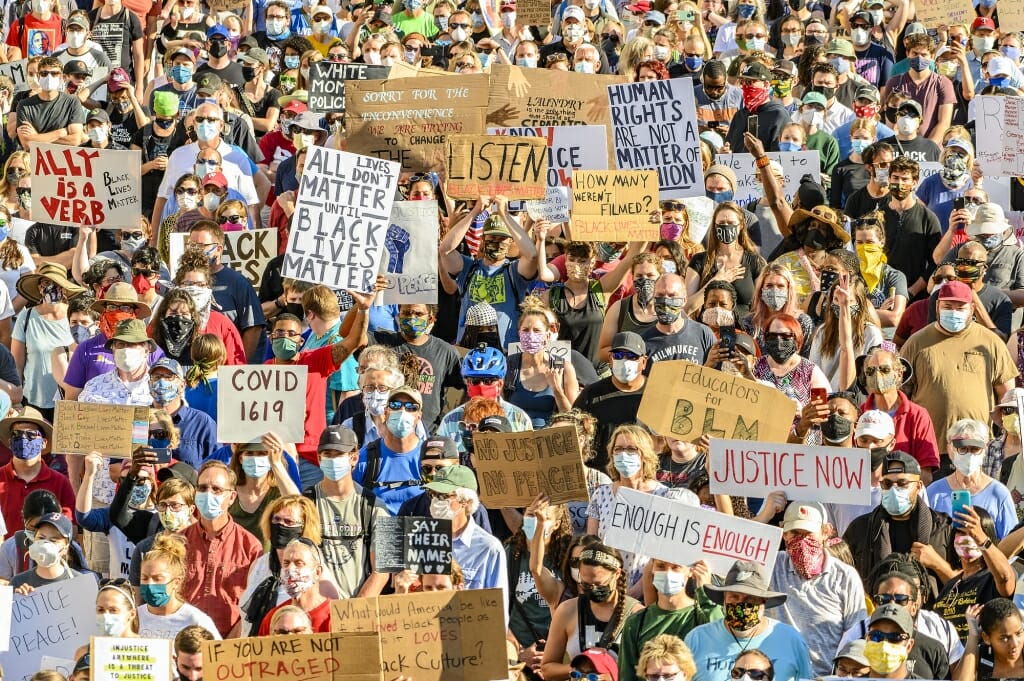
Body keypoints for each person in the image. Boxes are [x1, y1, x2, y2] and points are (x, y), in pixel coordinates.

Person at [901, 280, 1016, 452]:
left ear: (971, 308)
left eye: (960, 307)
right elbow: (902, 395)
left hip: (978, 448)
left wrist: (1005, 438)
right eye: (948, 306)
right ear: (938, 305)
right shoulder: (916, 342)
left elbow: (1007, 395)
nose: (954, 312)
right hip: (929, 447)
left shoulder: (990, 342)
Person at [770, 502, 867, 676]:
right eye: (795, 533)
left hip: (825, 676)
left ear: (825, 532)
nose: (801, 541)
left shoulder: (845, 576)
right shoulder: (771, 564)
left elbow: (855, 636)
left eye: (808, 534)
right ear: (784, 533)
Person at [843, 452, 955, 600]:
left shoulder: (942, 528)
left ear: (919, 486)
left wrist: (937, 564)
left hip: (928, 616)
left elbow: (965, 587)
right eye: (887, 484)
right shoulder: (860, 529)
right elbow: (843, 582)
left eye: (902, 483)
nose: (894, 490)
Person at [684, 560, 812, 681]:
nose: (741, 605)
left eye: (750, 599)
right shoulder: (697, 639)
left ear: (764, 601)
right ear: (724, 599)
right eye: (734, 596)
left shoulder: (790, 640)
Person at [306, 425, 389, 598]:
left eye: (339, 454)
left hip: (358, 611)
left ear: (354, 458)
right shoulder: (306, 503)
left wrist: (355, 612)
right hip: (316, 610)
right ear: (319, 459)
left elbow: (382, 572)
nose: (333, 460)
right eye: (328, 454)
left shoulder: (376, 507)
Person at [182, 460, 262, 637]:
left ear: (232, 497)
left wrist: (227, 646)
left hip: (229, 646)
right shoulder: (178, 542)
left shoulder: (250, 547)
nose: (208, 494)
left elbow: (254, 607)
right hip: (183, 643)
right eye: (202, 488)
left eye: (216, 489)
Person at [541, 543, 643, 681]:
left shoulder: (638, 615)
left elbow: (649, 672)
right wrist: (579, 672)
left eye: (599, 584)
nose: (593, 589)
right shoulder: (567, 610)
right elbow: (547, 669)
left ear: (617, 574)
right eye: (586, 584)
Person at [618, 559, 720, 681]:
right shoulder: (636, 622)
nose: (668, 573)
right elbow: (627, 676)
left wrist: (705, 592)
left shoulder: (702, 616)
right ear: (652, 569)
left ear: (691, 571)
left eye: (676, 567)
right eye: (661, 566)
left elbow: (719, 638)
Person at [932, 506, 1015, 641]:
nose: (967, 538)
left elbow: (1005, 577)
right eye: (961, 532)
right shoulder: (951, 586)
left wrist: (980, 537)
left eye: (972, 533)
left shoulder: (991, 577)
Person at [859, 344, 940, 481]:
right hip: (866, 495)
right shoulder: (859, 413)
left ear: (899, 373)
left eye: (884, 369)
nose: (877, 375)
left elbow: (925, 473)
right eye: (871, 371)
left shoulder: (917, 415)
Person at [927, 419, 1017, 539]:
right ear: (950, 450)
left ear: (984, 450)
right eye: (962, 449)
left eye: (975, 449)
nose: (969, 455)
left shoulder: (999, 494)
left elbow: (1010, 544)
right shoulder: (934, 492)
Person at [574, 332, 649, 465]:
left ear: (643, 362)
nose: (625, 361)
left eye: (632, 356)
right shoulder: (591, 394)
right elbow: (573, 433)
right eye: (618, 355)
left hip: (644, 474)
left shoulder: (655, 394)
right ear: (610, 359)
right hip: (601, 476)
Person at [0, 407, 74, 539]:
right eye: (17, 435)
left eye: (31, 435)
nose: (23, 439)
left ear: (44, 443)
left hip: (47, 557)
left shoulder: (61, 483)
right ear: (10, 442)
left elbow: (69, 532)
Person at [352, 385, 427, 515]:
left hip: (420, 531)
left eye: (411, 407)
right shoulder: (366, 458)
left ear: (418, 417)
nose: (402, 411)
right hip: (379, 531)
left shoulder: (429, 458)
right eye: (395, 405)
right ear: (386, 412)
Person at [137, 533, 221, 639]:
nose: (150, 584)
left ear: (176, 582)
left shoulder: (195, 620)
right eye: (144, 578)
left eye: (157, 579)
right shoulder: (133, 618)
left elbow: (215, 653)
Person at [257, 537, 331, 634]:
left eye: (299, 563)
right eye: (286, 563)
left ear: (317, 572)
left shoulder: (333, 617)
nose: (290, 569)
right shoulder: (274, 619)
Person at [9, 512, 79, 591]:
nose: (45, 545)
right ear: (34, 539)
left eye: (53, 540)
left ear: (65, 549)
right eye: (41, 538)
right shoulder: (17, 583)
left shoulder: (79, 582)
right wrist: (17, 598)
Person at [957, 598, 1024, 681]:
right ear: (986, 638)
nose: (1015, 644)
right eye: (1004, 638)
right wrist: (973, 637)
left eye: (1018, 633)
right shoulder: (981, 655)